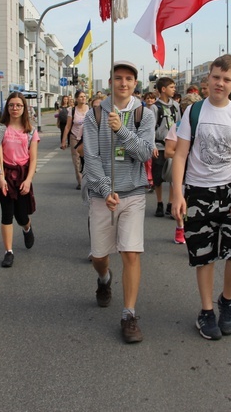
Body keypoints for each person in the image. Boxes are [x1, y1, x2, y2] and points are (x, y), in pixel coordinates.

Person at [172, 55, 231, 341]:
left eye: (227, 79)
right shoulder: (193, 112)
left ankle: (226, 300)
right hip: (197, 192)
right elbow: (181, 154)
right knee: (203, 256)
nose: (220, 83)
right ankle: (206, 311)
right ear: (208, 79)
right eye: (216, 77)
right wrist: (177, 194)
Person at [84, 60, 155, 344]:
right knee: (99, 256)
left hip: (134, 192)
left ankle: (129, 314)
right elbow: (91, 159)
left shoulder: (144, 114)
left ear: (135, 83)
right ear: (110, 81)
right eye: (117, 78)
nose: (123, 83)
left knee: (131, 252)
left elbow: (146, 154)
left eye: (128, 79)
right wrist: (104, 189)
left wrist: (121, 131)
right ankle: (103, 279)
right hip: (103, 196)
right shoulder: (95, 114)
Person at [0, 92, 39, 268]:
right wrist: (0, 176)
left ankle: (27, 228)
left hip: (22, 176)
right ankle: (8, 251)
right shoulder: (0, 128)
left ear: (24, 108)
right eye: (12, 105)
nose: (15, 108)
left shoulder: (31, 131)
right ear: (7, 107)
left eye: (19, 105)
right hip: (5, 174)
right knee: (6, 214)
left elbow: (33, 159)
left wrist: (28, 180)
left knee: (21, 215)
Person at [164, 92, 202, 244]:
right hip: (182, 171)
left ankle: (196, 231)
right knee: (180, 202)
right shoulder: (177, 127)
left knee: (198, 204)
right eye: (187, 109)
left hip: (200, 172)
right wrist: (184, 155)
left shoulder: (204, 125)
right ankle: (180, 227)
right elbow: (168, 151)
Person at [151, 77, 181, 218]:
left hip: (173, 147)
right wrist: (152, 145)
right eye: (172, 87)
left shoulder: (176, 106)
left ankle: (170, 203)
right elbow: (150, 128)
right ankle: (159, 202)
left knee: (173, 176)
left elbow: (180, 125)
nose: (174, 89)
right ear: (163, 89)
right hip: (159, 146)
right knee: (158, 177)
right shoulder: (154, 107)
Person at [61, 90, 89, 190]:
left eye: (84, 96)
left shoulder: (90, 110)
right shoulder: (72, 110)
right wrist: (64, 140)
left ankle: (88, 180)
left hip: (87, 137)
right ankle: (80, 181)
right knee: (76, 160)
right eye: (81, 97)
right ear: (76, 98)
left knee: (87, 159)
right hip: (74, 137)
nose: (83, 98)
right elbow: (68, 127)